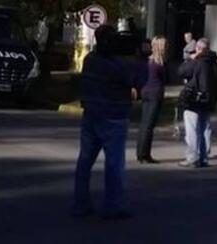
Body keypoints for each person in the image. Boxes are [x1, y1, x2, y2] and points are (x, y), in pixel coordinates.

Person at [72, 25, 137, 219]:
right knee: (114, 163)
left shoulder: (90, 59)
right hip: (113, 117)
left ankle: (80, 204)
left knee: (85, 161)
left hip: (91, 114)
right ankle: (112, 206)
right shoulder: (117, 64)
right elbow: (134, 79)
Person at [179, 38, 217, 168]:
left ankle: (192, 157)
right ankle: (203, 157)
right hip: (208, 101)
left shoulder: (197, 62)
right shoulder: (215, 64)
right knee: (204, 129)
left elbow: (181, 72)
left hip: (194, 100)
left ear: (198, 48)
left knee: (192, 129)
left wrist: (191, 58)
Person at [136, 36, 168, 164]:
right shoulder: (159, 63)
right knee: (149, 125)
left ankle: (141, 152)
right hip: (155, 94)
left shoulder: (147, 61)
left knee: (144, 123)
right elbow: (165, 78)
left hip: (146, 92)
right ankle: (144, 153)